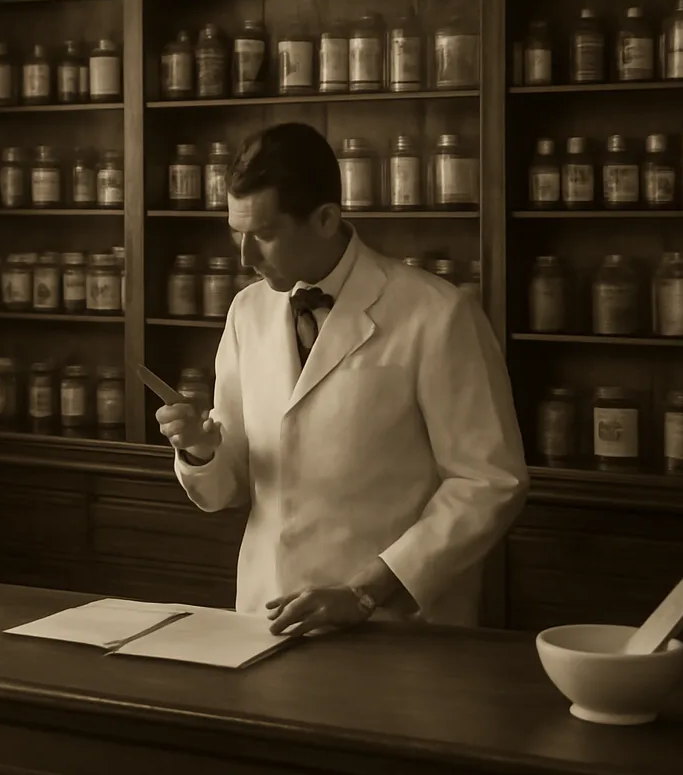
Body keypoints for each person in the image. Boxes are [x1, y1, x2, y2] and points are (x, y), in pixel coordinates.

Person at [156, 122, 528, 637]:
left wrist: (367, 590)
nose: (245, 257)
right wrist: (200, 450)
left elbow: (488, 482)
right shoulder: (248, 312)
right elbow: (233, 487)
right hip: (267, 617)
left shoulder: (437, 314)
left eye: (263, 235)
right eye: (235, 233)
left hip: (395, 627)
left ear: (327, 219)